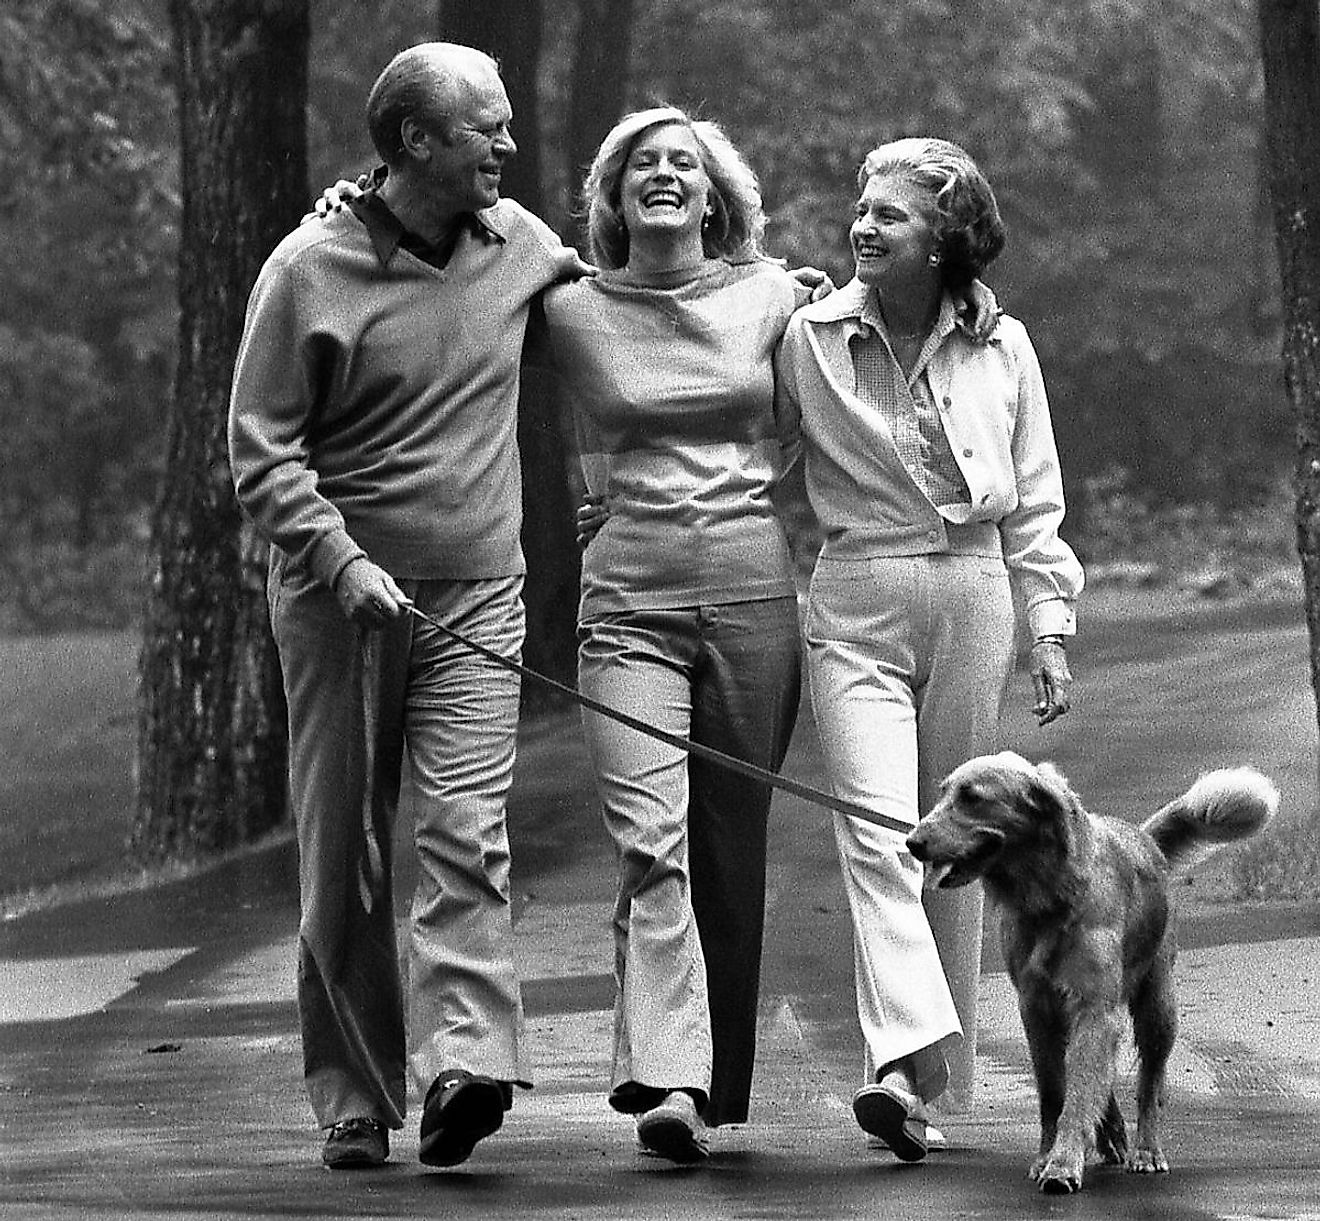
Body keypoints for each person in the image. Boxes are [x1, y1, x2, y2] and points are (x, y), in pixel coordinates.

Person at [227, 42, 590, 1170]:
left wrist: (774, 301)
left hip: (480, 592)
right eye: (487, 127)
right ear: (415, 144)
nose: (509, 147)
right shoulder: (306, 268)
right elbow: (261, 447)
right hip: (344, 604)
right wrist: (338, 561)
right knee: (346, 854)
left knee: (464, 832)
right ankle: (352, 1093)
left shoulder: (519, 244)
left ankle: (468, 1064)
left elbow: (627, 316)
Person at [774, 136, 1084, 1162]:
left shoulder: (1005, 345)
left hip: (973, 589)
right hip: (855, 590)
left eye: (891, 214)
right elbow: (730, 422)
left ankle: (929, 1077)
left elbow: (1035, 498)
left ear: (947, 240)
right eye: (861, 207)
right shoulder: (807, 334)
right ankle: (903, 1062)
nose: (864, 224)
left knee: (955, 843)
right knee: (875, 827)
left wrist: (1049, 630)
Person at [539, 107, 810, 1163]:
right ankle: (671, 1080)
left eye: (681, 164)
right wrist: (356, 205)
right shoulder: (564, 307)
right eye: (640, 164)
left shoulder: (778, 294)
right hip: (627, 603)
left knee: (728, 846)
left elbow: (836, 394)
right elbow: (446, 288)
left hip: (750, 590)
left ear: (713, 195)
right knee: (652, 842)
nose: (661, 175)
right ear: (614, 196)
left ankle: (711, 1086)